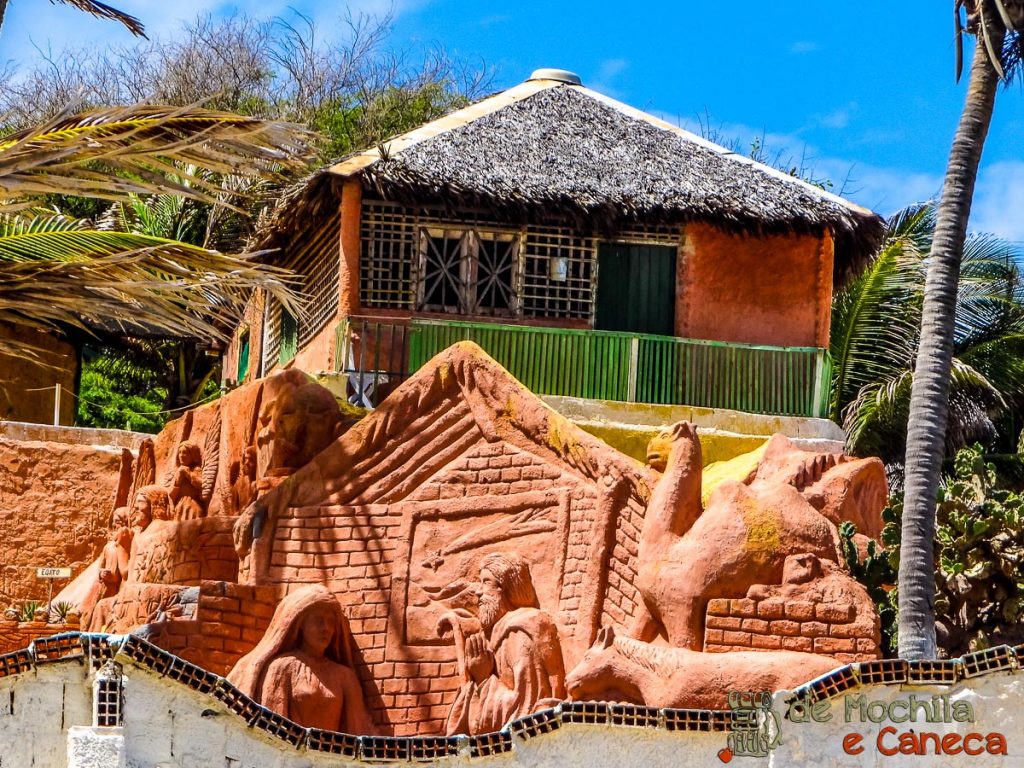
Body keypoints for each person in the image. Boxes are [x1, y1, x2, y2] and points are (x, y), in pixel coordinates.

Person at [445, 552, 566, 735]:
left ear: (504, 588)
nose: (478, 591)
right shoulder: (499, 633)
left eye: (486, 582)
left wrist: (484, 679)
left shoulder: (519, 634)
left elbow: (525, 712)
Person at [227, 585, 372, 733]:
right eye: (318, 620)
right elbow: (273, 730)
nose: (326, 628)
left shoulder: (345, 676)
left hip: (330, 754)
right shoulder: (281, 668)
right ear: (300, 623)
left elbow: (357, 731)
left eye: (331, 621)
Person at [169, 441, 204, 519]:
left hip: (193, 505)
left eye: (184, 453)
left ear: (192, 455)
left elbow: (202, 484)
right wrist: (177, 481)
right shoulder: (177, 472)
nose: (181, 455)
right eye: (180, 453)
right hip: (179, 506)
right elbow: (171, 494)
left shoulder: (196, 469)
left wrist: (188, 474)